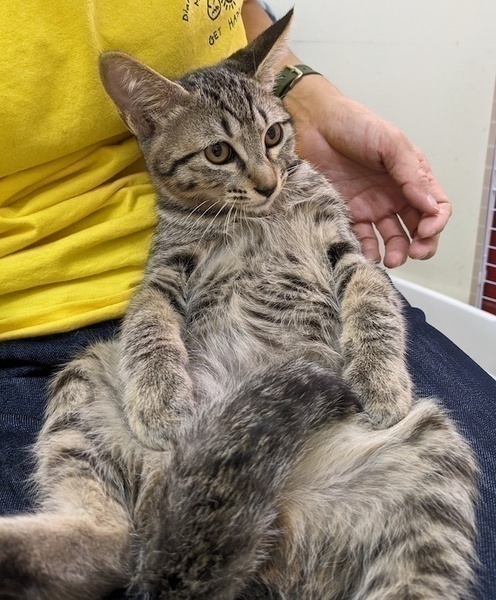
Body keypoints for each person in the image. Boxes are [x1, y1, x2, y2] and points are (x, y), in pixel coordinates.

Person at [0, 1, 494, 598]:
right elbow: (162, 289)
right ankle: (95, 528)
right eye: (221, 154)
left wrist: (373, 347)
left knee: (435, 449)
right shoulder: (187, 214)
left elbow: (353, 269)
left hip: (316, 391)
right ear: (149, 125)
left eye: (272, 137)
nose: (266, 178)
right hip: (58, 306)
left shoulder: (298, 182)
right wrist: (154, 353)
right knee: (86, 377)